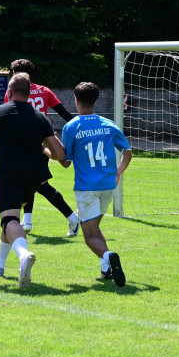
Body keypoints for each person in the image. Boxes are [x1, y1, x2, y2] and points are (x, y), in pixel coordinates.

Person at [0, 73, 66, 289]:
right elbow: (59, 153)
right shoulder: (40, 117)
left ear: (9, 92)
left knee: (9, 220)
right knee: (11, 216)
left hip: (9, 174)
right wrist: (45, 149)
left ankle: (23, 255)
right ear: (29, 93)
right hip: (34, 176)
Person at [0, 59, 79, 237]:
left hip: (21, 144)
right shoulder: (44, 90)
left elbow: (5, 116)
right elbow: (64, 114)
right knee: (33, 181)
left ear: (15, 74)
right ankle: (27, 221)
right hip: (42, 141)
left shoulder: (12, 91)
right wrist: (80, 129)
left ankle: (71, 218)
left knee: (39, 184)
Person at [60, 82, 132, 288]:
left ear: (76, 100)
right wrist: (117, 173)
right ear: (95, 100)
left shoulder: (72, 126)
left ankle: (109, 256)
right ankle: (105, 267)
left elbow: (65, 162)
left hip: (87, 188)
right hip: (108, 186)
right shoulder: (108, 124)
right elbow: (127, 153)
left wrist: (47, 150)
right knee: (95, 227)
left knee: (89, 235)